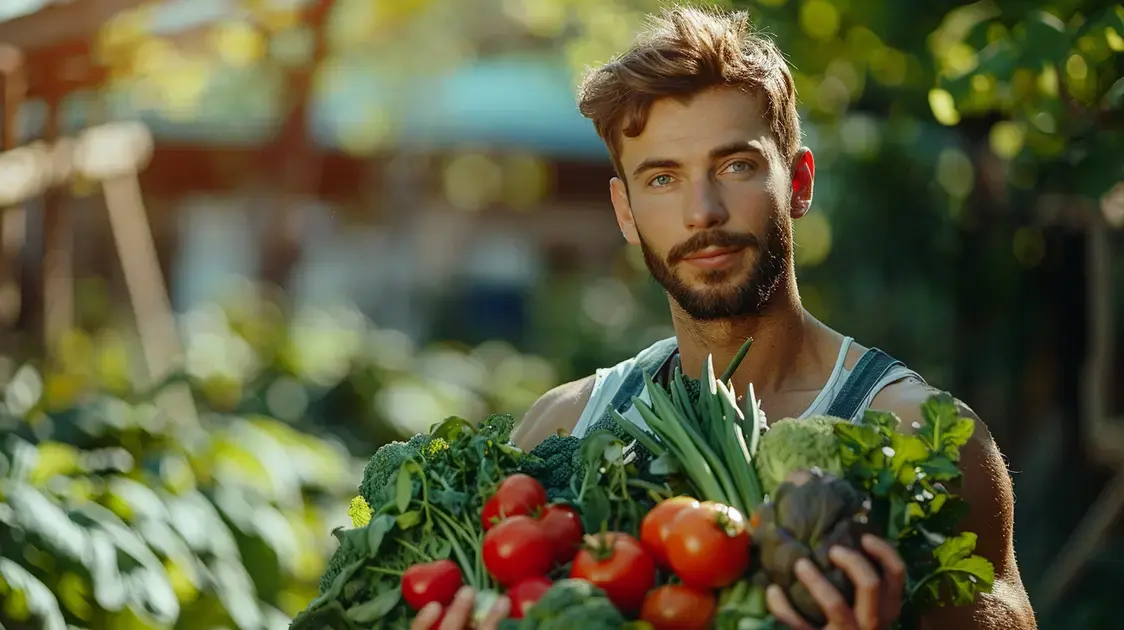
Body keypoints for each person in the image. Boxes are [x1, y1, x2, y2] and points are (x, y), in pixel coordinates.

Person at [413, 5, 1037, 630]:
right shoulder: (565, 426)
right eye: (661, 178)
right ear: (625, 211)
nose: (702, 211)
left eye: (735, 166)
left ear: (797, 182)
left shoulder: (920, 441)